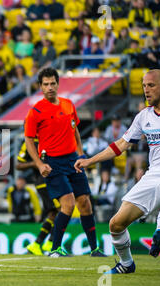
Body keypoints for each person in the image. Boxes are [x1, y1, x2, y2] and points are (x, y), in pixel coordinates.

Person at [75, 69, 160, 274]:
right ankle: (126, 264)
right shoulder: (143, 117)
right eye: (143, 86)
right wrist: (90, 160)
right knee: (115, 224)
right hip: (153, 175)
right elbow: (120, 145)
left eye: (151, 85)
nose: (146, 90)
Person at [24, 67, 107, 258]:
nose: (50, 87)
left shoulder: (68, 105)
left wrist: (80, 154)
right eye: (46, 84)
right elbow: (29, 139)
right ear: (40, 87)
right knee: (68, 204)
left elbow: (75, 130)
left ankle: (94, 249)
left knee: (85, 203)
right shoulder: (35, 111)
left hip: (72, 160)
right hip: (52, 162)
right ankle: (55, 249)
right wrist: (39, 164)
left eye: (53, 83)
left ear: (58, 84)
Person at [16, 140, 59, 255]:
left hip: (54, 180)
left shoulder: (47, 137)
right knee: (63, 210)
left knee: (54, 213)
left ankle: (38, 244)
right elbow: (18, 165)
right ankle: (50, 243)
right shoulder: (28, 143)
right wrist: (34, 164)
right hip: (43, 182)